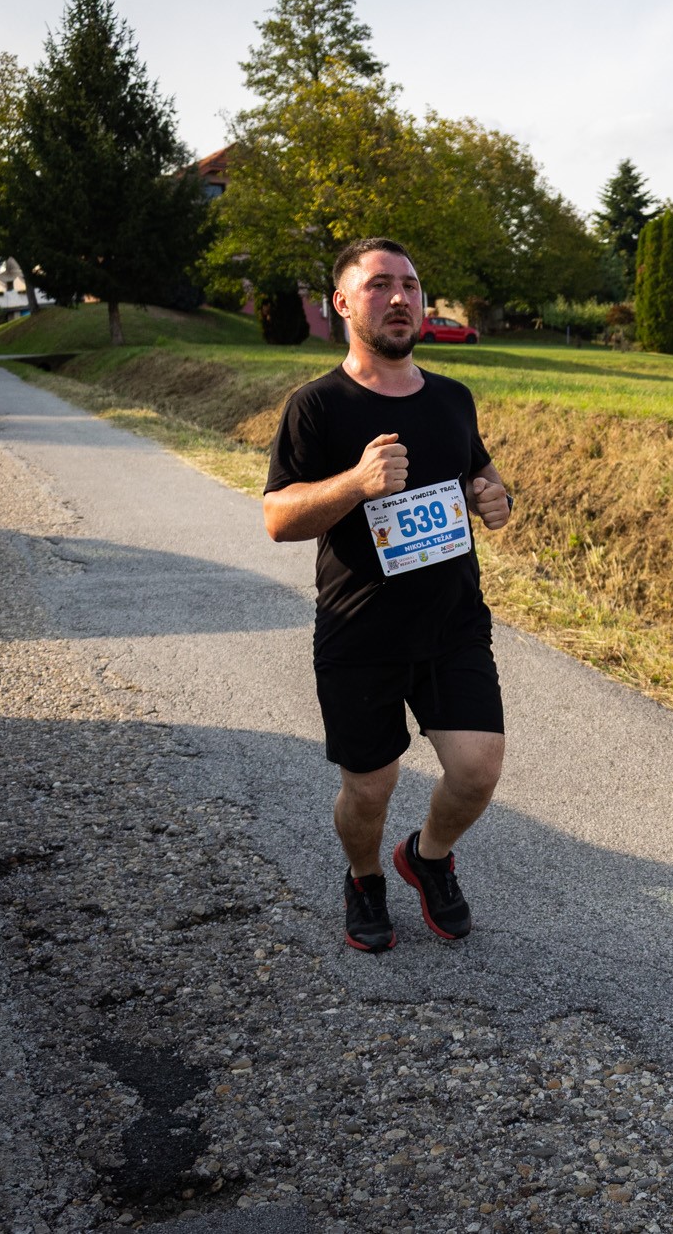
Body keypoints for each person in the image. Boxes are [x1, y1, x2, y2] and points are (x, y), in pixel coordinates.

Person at [262, 238, 514, 953]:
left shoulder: (452, 398)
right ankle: (365, 874)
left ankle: (428, 857)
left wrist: (495, 499)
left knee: (477, 770)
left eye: (410, 284)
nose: (400, 297)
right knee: (369, 790)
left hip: (453, 624)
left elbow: (482, 477)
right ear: (342, 304)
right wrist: (354, 484)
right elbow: (279, 517)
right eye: (379, 285)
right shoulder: (315, 406)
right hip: (360, 630)